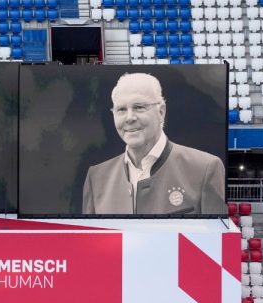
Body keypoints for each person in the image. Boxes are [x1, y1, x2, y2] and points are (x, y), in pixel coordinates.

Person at [82, 73, 226, 215]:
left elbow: (216, 237)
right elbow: (91, 238)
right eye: (121, 110)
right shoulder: (96, 178)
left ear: (161, 112)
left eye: (139, 107)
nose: (129, 118)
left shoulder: (205, 169)